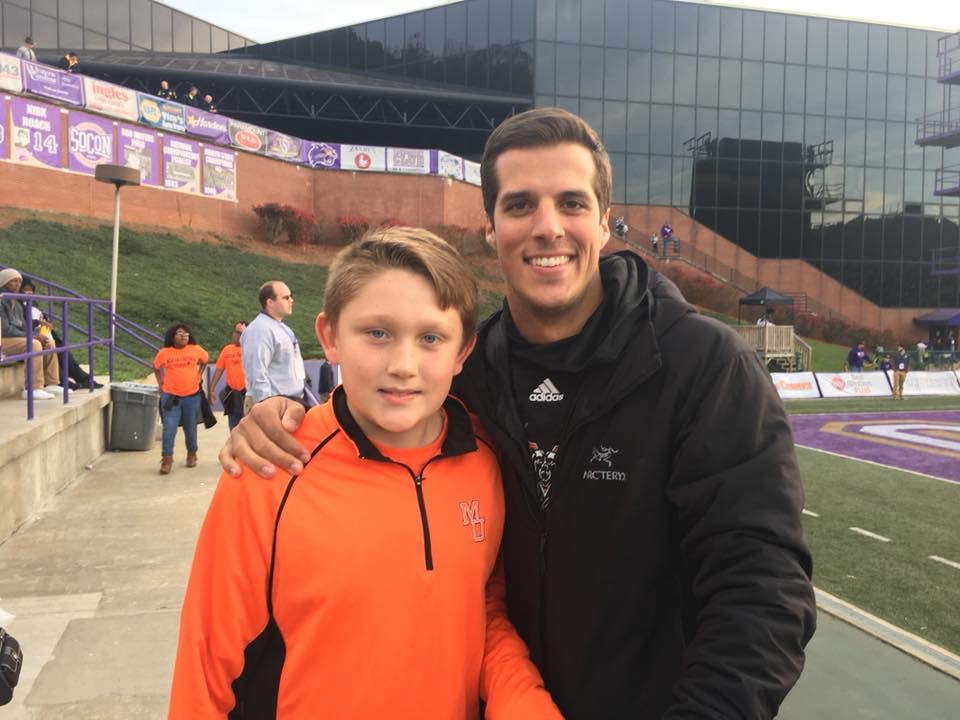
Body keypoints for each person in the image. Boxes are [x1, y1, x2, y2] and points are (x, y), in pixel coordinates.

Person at [220, 108, 816, 718]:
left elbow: (762, 590)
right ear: (490, 227)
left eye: (572, 203)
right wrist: (282, 417)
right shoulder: (461, 376)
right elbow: (374, 447)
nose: (547, 227)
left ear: (605, 223)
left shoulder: (705, 366)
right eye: (521, 204)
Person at [169, 228, 561, 718]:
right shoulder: (271, 468)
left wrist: (526, 706)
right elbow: (206, 666)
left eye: (431, 338)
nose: (403, 365)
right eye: (377, 333)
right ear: (330, 337)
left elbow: (480, 612)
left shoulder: (485, 457)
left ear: (462, 352)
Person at [19, 278, 103, 390]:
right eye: (25, 289)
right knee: (50, 347)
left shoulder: (32, 304)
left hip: (43, 335)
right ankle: (61, 381)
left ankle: (83, 379)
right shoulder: (17, 305)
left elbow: (41, 319)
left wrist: (46, 323)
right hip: (28, 338)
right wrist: (38, 323)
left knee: (61, 347)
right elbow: (21, 325)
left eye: (31, 290)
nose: (29, 292)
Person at [240, 280, 307, 412]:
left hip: (290, 402)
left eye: (291, 296)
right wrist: (268, 407)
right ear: (270, 302)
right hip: (273, 406)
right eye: (286, 297)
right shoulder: (259, 330)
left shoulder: (282, 327)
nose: (291, 300)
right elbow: (256, 372)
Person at [153, 324, 208, 475]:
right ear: (172, 336)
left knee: (190, 428)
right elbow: (156, 367)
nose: (184, 336)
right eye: (180, 333)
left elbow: (205, 360)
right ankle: (167, 459)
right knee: (169, 428)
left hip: (191, 397)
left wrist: (199, 375)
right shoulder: (164, 353)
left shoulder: (195, 349)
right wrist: (160, 383)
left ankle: (192, 453)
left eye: (186, 334)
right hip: (171, 398)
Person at [0, 268, 62, 400]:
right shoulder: (1, 300)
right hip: (3, 339)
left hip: (13, 339)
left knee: (49, 342)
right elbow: (5, 329)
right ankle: (32, 388)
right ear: (4, 283)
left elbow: (23, 326)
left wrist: (37, 335)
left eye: (19, 281)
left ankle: (51, 383)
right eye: (13, 281)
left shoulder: (16, 303)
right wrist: (32, 337)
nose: (17, 284)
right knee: (33, 344)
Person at [208, 321, 246, 430]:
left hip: (248, 394)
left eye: (240, 333)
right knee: (233, 427)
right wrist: (211, 389)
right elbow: (219, 370)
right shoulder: (227, 349)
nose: (237, 335)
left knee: (249, 426)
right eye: (235, 332)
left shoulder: (253, 348)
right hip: (232, 393)